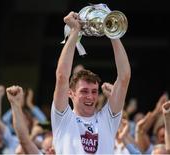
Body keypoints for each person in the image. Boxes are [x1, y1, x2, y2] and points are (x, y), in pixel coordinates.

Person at [51, 11, 131, 154]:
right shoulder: (63, 117)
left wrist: (112, 31)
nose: (90, 96)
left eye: (94, 91)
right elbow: (62, 76)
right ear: (70, 93)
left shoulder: (107, 120)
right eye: (84, 91)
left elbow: (124, 77)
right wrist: (75, 31)